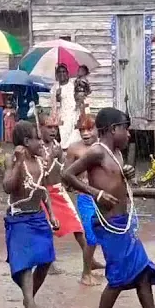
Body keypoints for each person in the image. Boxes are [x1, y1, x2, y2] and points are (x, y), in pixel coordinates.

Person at [62, 107, 155, 308]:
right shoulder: (97, 151)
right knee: (117, 277)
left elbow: (117, 179)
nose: (128, 134)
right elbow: (67, 175)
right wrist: (96, 194)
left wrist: (127, 174)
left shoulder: (116, 152)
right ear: (112, 129)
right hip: (110, 225)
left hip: (124, 223)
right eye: (125, 128)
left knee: (143, 272)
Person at [2, 120, 58, 308]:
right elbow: (8, 187)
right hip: (19, 219)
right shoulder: (13, 160)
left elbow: (43, 192)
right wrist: (18, 163)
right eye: (37, 139)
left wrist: (52, 214)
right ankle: (30, 302)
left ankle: (29, 298)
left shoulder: (39, 162)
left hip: (38, 217)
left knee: (45, 260)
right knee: (24, 262)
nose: (41, 144)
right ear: (26, 141)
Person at [38, 110, 99, 284]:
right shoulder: (36, 147)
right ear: (40, 128)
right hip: (42, 191)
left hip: (58, 190)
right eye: (49, 127)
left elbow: (64, 170)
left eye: (55, 127)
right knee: (48, 227)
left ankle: (90, 261)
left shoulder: (57, 147)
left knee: (78, 227)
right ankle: (47, 260)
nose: (53, 130)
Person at [65, 112, 106, 283]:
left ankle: (111, 268)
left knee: (107, 234)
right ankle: (85, 273)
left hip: (104, 198)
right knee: (91, 236)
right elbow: (65, 174)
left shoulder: (105, 147)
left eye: (89, 129)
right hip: (85, 198)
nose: (85, 133)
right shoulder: (74, 148)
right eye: (82, 129)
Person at [51, 64, 80, 149]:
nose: (62, 74)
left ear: (67, 74)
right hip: (62, 115)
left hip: (73, 114)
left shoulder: (73, 86)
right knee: (64, 137)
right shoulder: (55, 88)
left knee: (74, 137)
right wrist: (57, 98)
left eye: (64, 71)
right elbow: (53, 105)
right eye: (59, 72)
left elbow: (78, 99)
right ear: (56, 75)